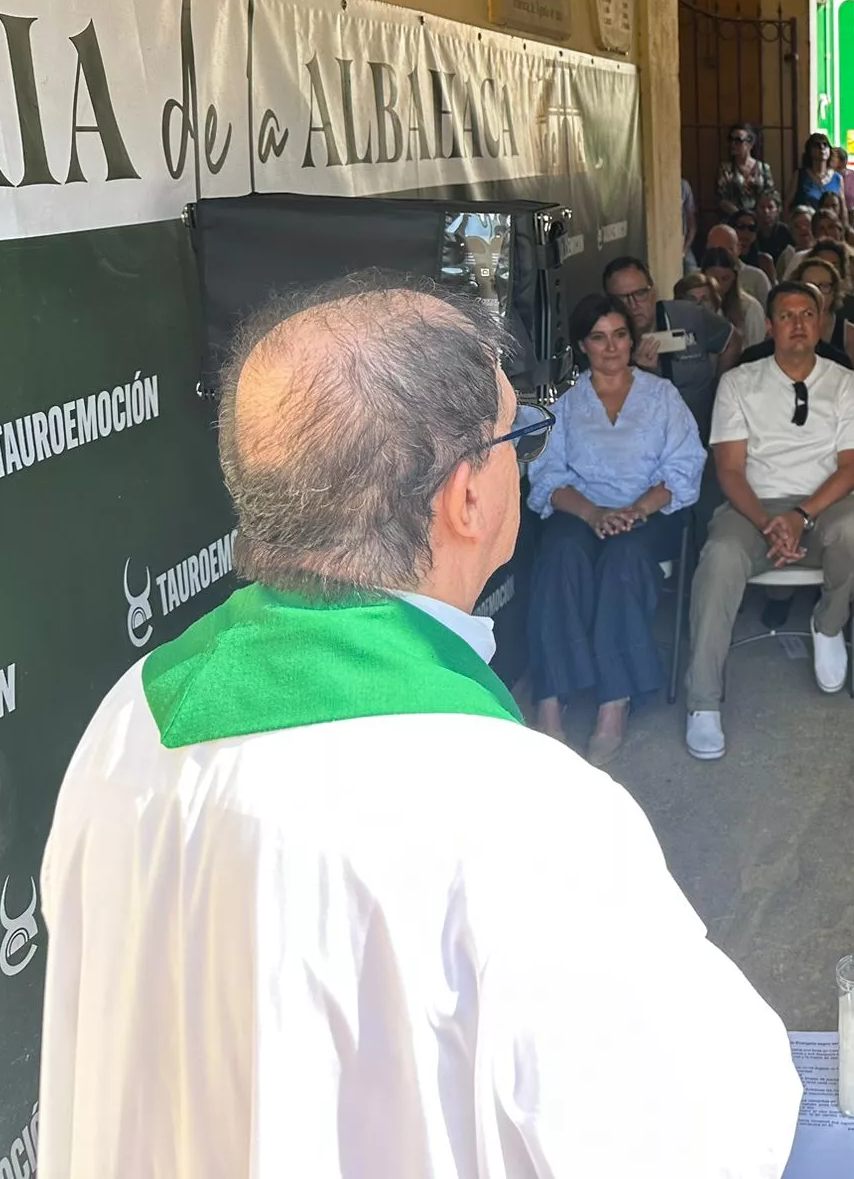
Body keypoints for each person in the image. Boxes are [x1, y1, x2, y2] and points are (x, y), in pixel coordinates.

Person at [40, 280, 802, 1176]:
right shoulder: (519, 809)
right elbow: (705, 1130)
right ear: (466, 498)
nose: (533, 460)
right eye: (522, 438)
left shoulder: (126, 722)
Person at [685, 283, 854, 759]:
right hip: (754, 506)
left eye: (807, 314)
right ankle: (703, 701)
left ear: (821, 323)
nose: (797, 324)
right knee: (720, 558)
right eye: (786, 316)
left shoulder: (845, 382)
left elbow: (852, 467)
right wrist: (772, 522)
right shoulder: (739, 382)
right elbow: (728, 470)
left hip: (825, 504)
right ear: (769, 327)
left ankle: (828, 626)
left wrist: (799, 516)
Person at [528, 293, 706, 764]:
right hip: (581, 511)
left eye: (621, 335)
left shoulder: (662, 397)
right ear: (583, 346)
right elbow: (547, 474)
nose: (612, 347)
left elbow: (684, 468)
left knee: (624, 559)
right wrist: (592, 515)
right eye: (599, 338)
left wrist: (636, 511)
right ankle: (551, 697)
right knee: (559, 555)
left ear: (633, 338)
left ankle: (614, 699)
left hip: (647, 514)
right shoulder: (566, 402)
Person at [605, 254, 739, 434]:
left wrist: (721, 393)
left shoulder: (689, 315)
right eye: (622, 298)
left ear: (653, 292)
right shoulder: (604, 342)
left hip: (701, 437)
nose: (633, 304)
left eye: (640, 293)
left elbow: (732, 339)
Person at [701, 245, 768, 352]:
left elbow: (756, 349)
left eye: (725, 279)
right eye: (713, 279)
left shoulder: (750, 307)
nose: (719, 284)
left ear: (734, 278)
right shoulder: (698, 305)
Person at [716, 121, 775, 219]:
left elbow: (771, 195)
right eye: (731, 140)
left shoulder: (764, 168)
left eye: (738, 140)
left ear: (750, 144)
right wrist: (739, 215)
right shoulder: (726, 169)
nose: (733, 144)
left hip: (760, 219)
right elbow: (721, 197)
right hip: (733, 218)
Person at [706, 221, 771, 304]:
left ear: (739, 249)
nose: (720, 255)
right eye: (714, 249)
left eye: (727, 250)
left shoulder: (757, 277)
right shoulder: (696, 278)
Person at [795, 133, 841, 209]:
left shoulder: (837, 178)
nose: (822, 148)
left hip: (831, 220)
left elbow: (843, 208)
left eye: (825, 144)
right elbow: (787, 204)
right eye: (817, 145)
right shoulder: (800, 175)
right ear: (809, 150)